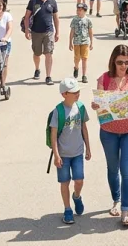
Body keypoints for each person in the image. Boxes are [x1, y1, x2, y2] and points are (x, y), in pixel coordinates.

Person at [94, 45, 128, 227]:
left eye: (126, 62)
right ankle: (116, 200)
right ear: (113, 61)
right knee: (112, 168)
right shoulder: (104, 78)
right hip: (108, 131)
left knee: (127, 170)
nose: (123, 66)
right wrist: (96, 106)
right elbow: (99, 104)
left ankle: (125, 211)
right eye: (119, 62)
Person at [49, 77, 92, 225]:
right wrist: (56, 155)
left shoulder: (80, 107)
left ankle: (77, 196)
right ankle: (67, 209)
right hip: (63, 155)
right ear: (64, 94)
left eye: (78, 91)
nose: (77, 94)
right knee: (64, 182)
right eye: (74, 92)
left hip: (78, 153)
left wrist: (88, 148)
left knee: (79, 180)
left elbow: (84, 129)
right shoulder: (58, 111)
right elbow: (53, 134)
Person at [24, 0, 60, 85]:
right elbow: (26, 17)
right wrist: (27, 30)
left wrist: (57, 32)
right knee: (37, 54)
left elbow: (56, 18)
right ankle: (37, 69)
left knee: (48, 53)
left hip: (49, 31)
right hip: (36, 32)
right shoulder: (33, 1)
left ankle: (48, 76)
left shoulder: (52, 2)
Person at [69, 3, 94, 83]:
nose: (78, 12)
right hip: (76, 42)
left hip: (85, 42)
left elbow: (90, 32)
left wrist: (91, 42)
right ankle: (76, 67)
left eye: (80, 10)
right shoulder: (74, 20)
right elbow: (72, 31)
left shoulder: (88, 20)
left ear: (85, 11)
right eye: (77, 10)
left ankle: (84, 75)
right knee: (77, 57)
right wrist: (70, 42)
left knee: (84, 58)